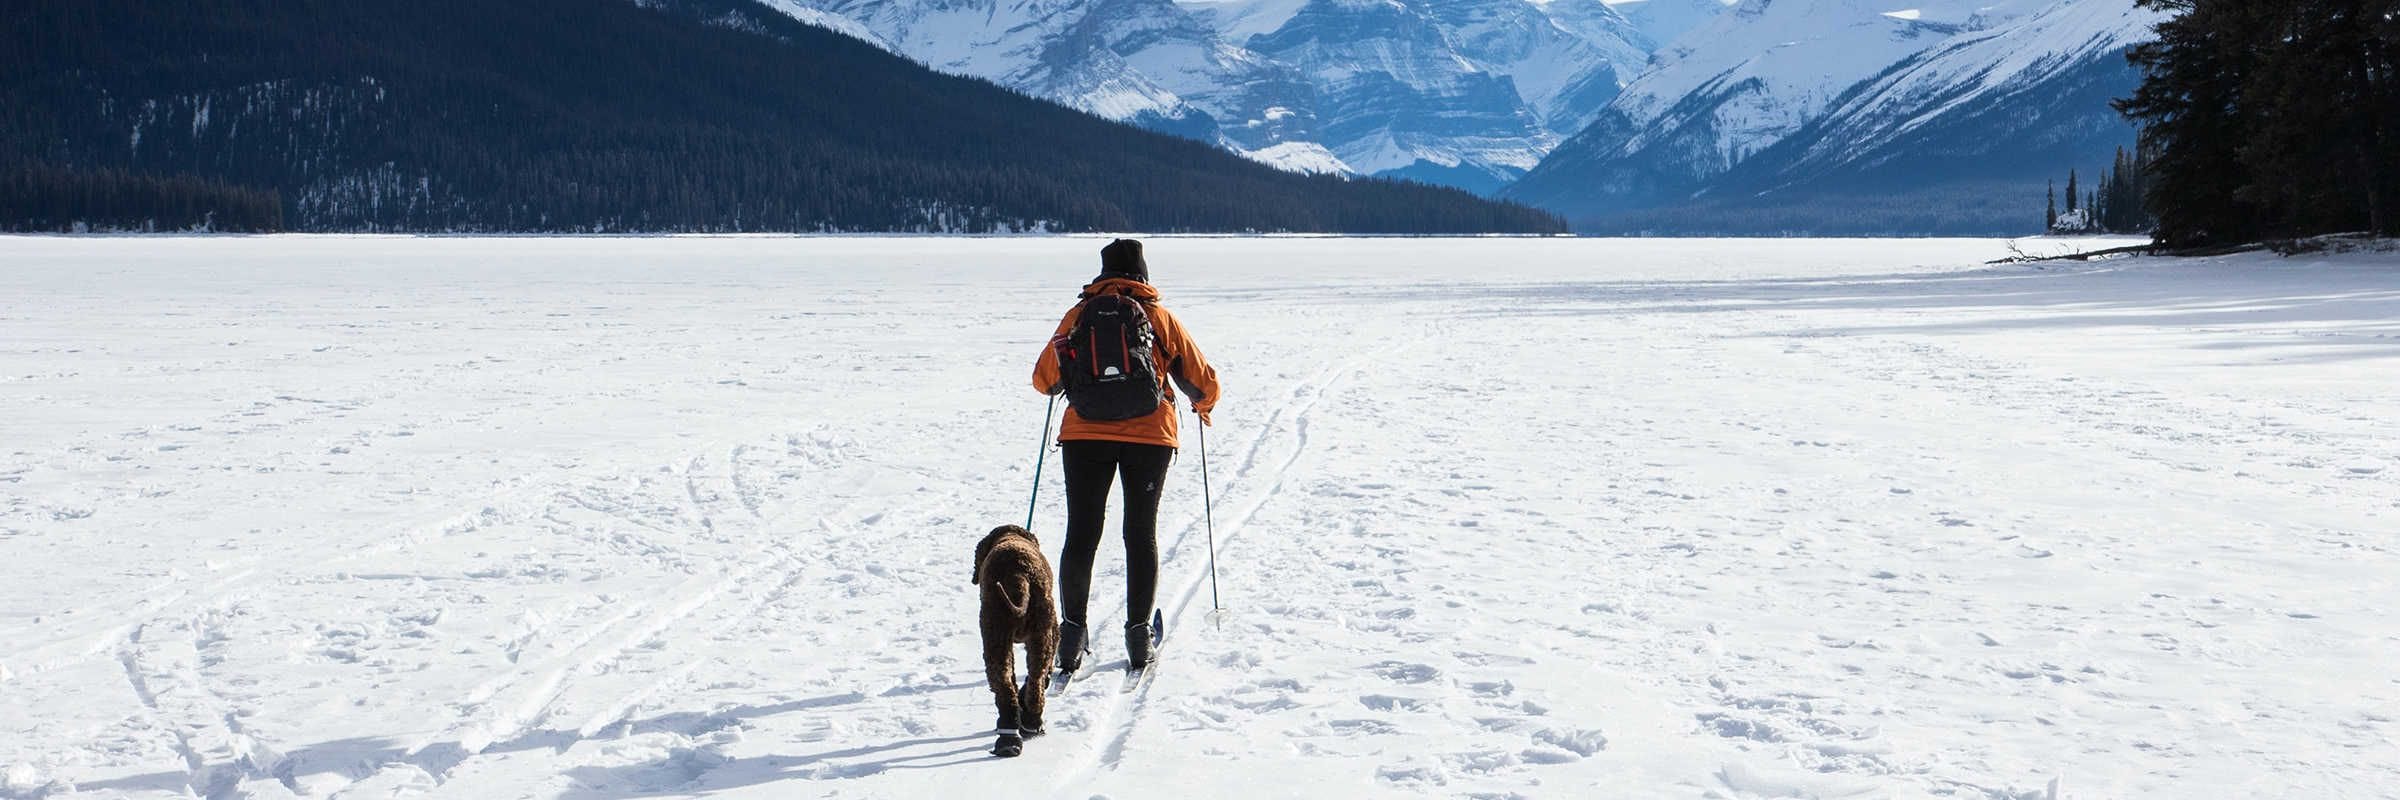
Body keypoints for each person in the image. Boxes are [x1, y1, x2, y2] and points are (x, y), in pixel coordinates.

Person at [1031, 238, 1219, 673]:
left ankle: (1071, 636)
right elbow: (1203, 381)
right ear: (1143, 274)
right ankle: (1138, 638)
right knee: (1140, 533)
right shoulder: (1158, 317)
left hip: (1084, 436)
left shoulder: (1079, 316)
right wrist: (1201, 407)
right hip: (1150, 437)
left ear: (1102, 274)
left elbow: (1044, 380)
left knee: (1081, 533)